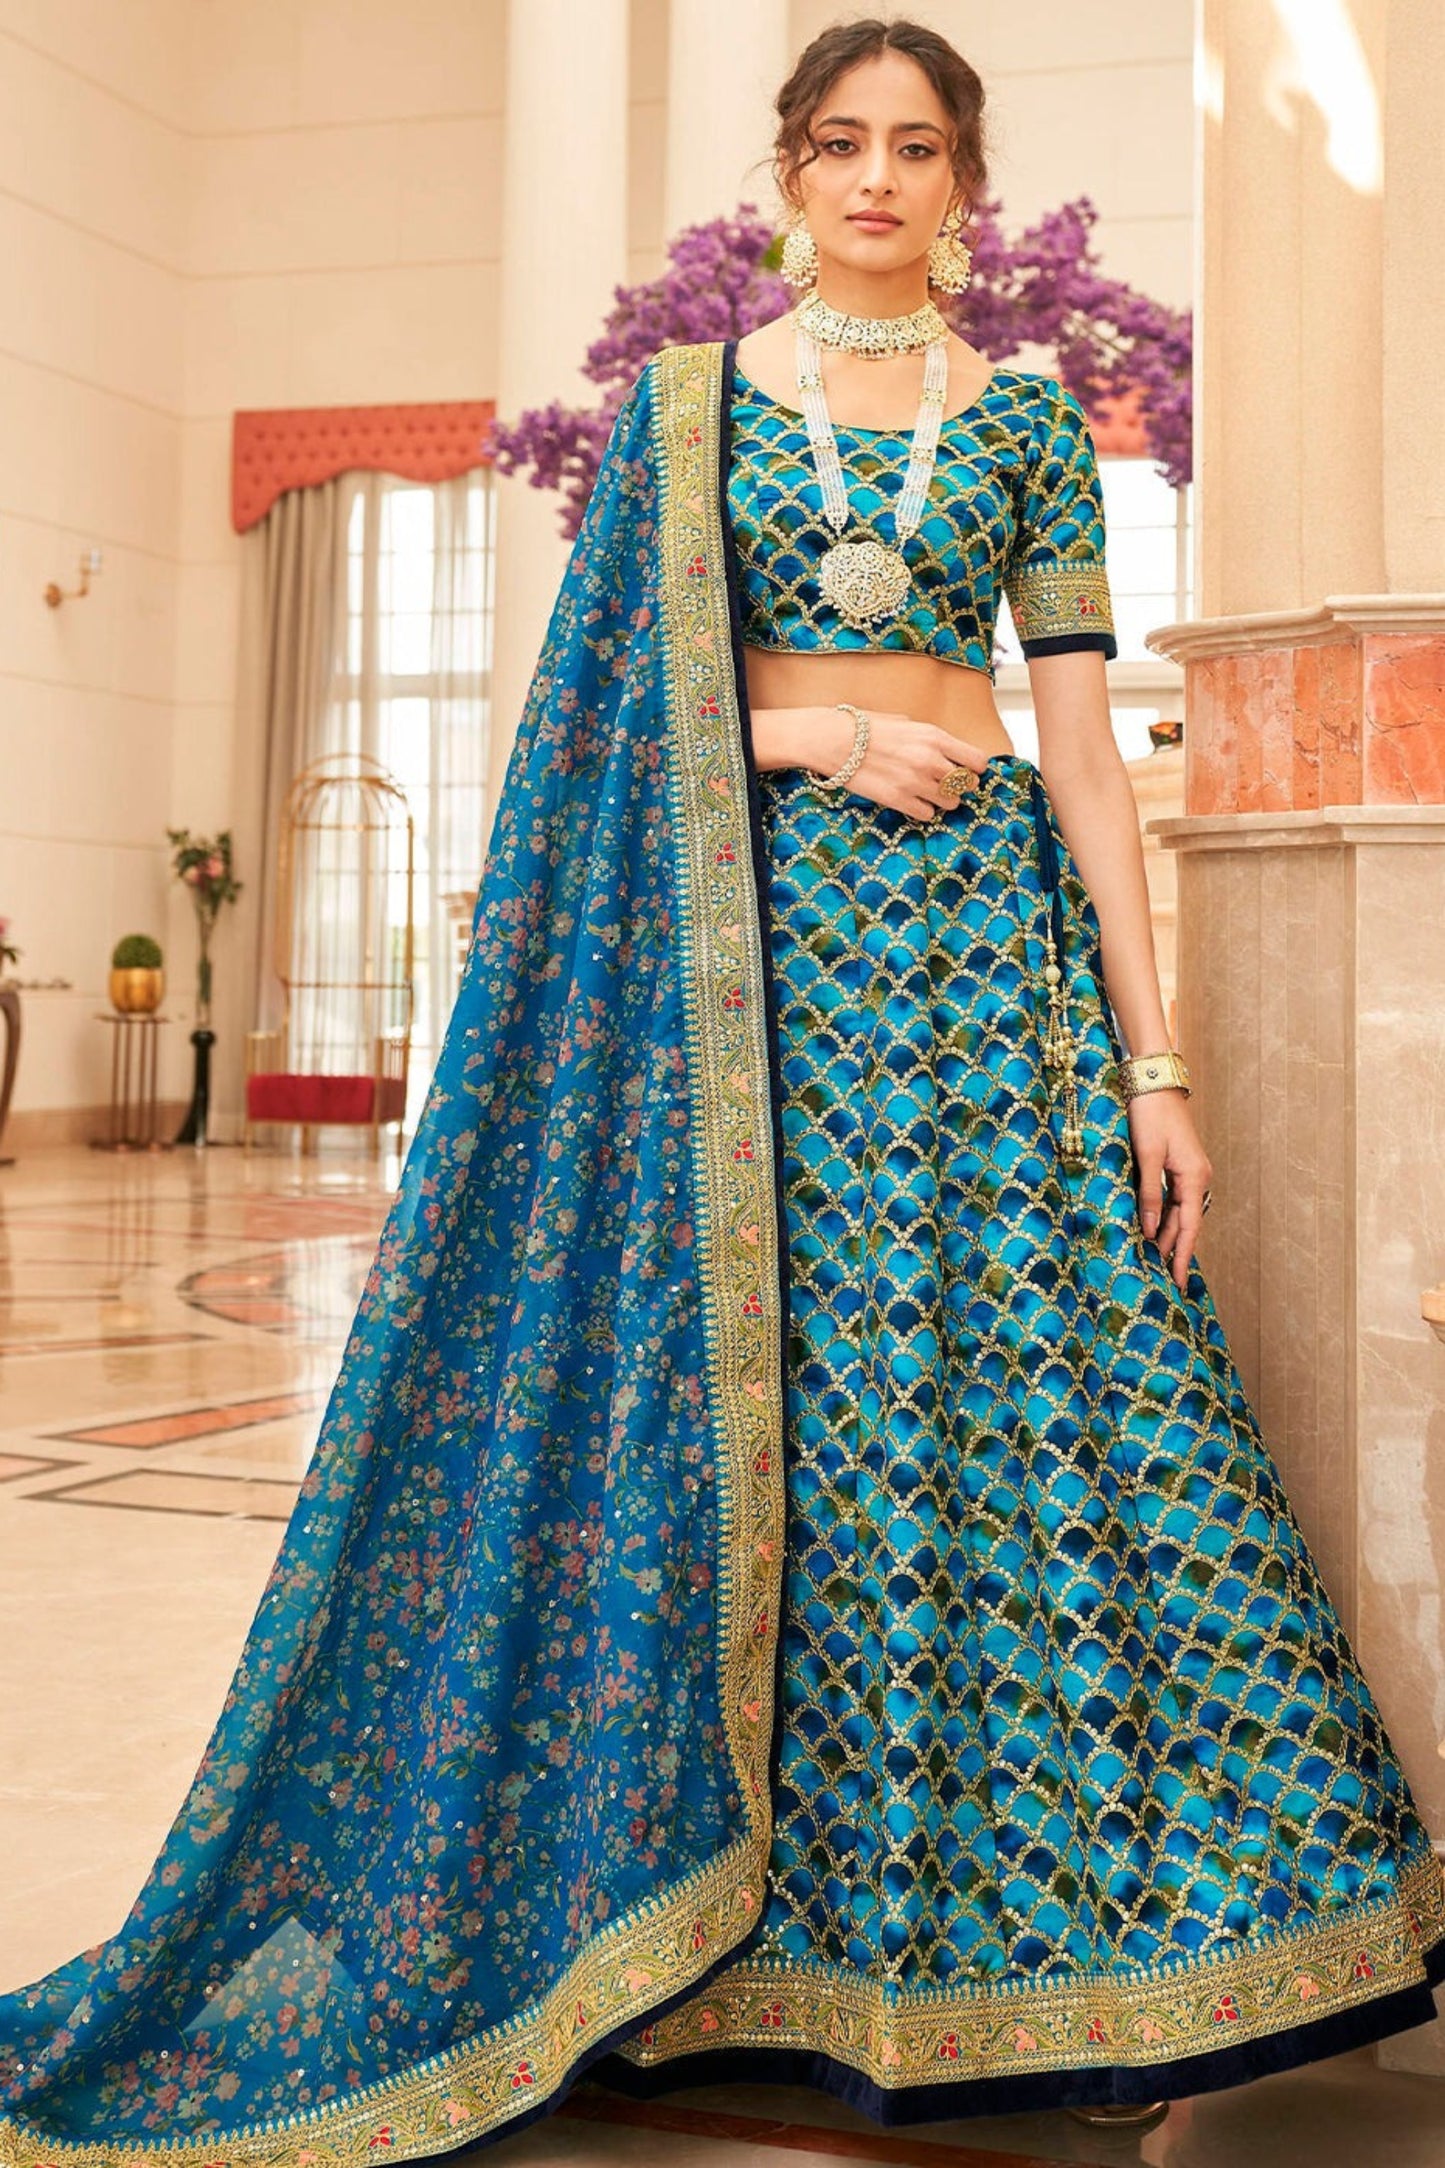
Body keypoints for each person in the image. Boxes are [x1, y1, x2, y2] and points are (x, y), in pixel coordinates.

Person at [2, 18, 1441, 2165]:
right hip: (748, 981)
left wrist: (1158, 1060)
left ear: (965, 185)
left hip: (989, 975)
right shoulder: (687, 410)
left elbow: (1076, 750)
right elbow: (597, 716)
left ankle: (1008, 1945)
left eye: (919, 148)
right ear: (787, 170)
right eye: (842, 141)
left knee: (1004, 1408)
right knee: (788, 1411)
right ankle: (734, 1949)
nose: (878, 178)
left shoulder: (1025, 420)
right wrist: (816, 737)